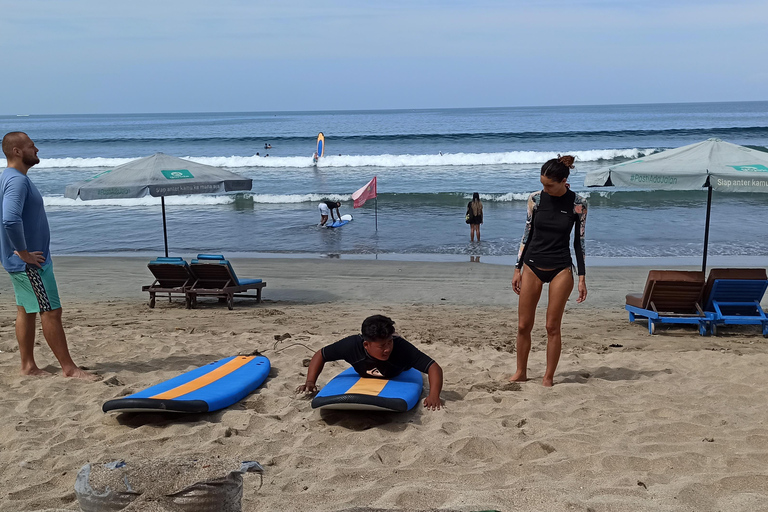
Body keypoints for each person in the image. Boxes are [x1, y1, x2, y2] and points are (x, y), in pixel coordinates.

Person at [0, 132, 98, 380]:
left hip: (22, 261)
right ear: (17, 151)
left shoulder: (9, 178)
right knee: (51, 311)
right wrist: (23, 253)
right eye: (32, 146)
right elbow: (9, 219)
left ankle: (28, 366)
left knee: (26, 310)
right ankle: (69, 368)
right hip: (31, 264)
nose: (37, 150)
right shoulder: (17, 181)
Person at [510, 155, 587, 387]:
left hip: (561, 268)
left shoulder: (579, 203)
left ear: (564, 181)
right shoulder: (535, 199)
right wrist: (517, 268)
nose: (544, 188)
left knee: (552, 326)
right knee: (524, 325)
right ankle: (521, 372)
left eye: (549, 185)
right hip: (532, 264)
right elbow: (527, 235)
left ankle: (548, 376)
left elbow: (579, 242)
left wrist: (582, 277)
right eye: (542, 183)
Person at [296, 315, 443, 410]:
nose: (387, 349)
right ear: (366, 345)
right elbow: (321, 354)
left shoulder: (401, 348)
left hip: (398, 371)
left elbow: (433, 367)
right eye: (382, 346)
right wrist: (310, 381)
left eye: (389, 343)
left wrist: (434, 395)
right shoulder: (351, 346)